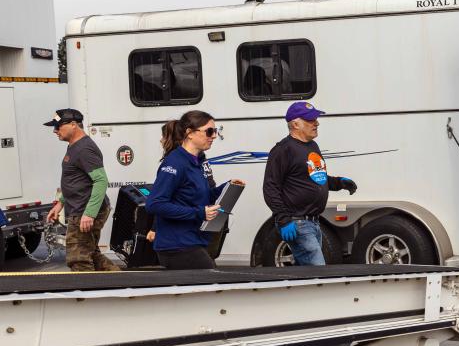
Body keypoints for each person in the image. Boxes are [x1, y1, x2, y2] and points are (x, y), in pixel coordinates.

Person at [263, 102, 357, 266]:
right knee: (317, 271)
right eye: (311, 120)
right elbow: (270, 188)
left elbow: (316, 178)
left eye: (316, 119)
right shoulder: (283, 150)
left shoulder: (312, 146)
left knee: (306, 272)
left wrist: (338, 182)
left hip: (314, 222)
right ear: (295, 124)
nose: (317, 123)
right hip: (297, 222)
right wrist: (283, 219)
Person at [147, 110, 243, 269]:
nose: (213, 136)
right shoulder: (174, 163)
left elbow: (200, 196)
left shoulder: (196, 162)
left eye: (215, 131)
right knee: (214, 284)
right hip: (176, 246)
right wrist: (199, 213)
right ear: (190, 133)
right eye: (209, 131)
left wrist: (227, 187)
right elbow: (155, 204)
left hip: (192, 241)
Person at [44, 108, 120, 272]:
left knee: (78, 260)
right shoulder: (74, 146)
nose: (55, 131)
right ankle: (122, 283)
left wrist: (89, 213)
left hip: (84, 211)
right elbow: (75, 180)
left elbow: (100, 181)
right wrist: (60, 204)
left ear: (73, 125)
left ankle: (87, 295)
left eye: (58, 126)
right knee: (91, 254)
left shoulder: (84, 149)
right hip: (80, 209)